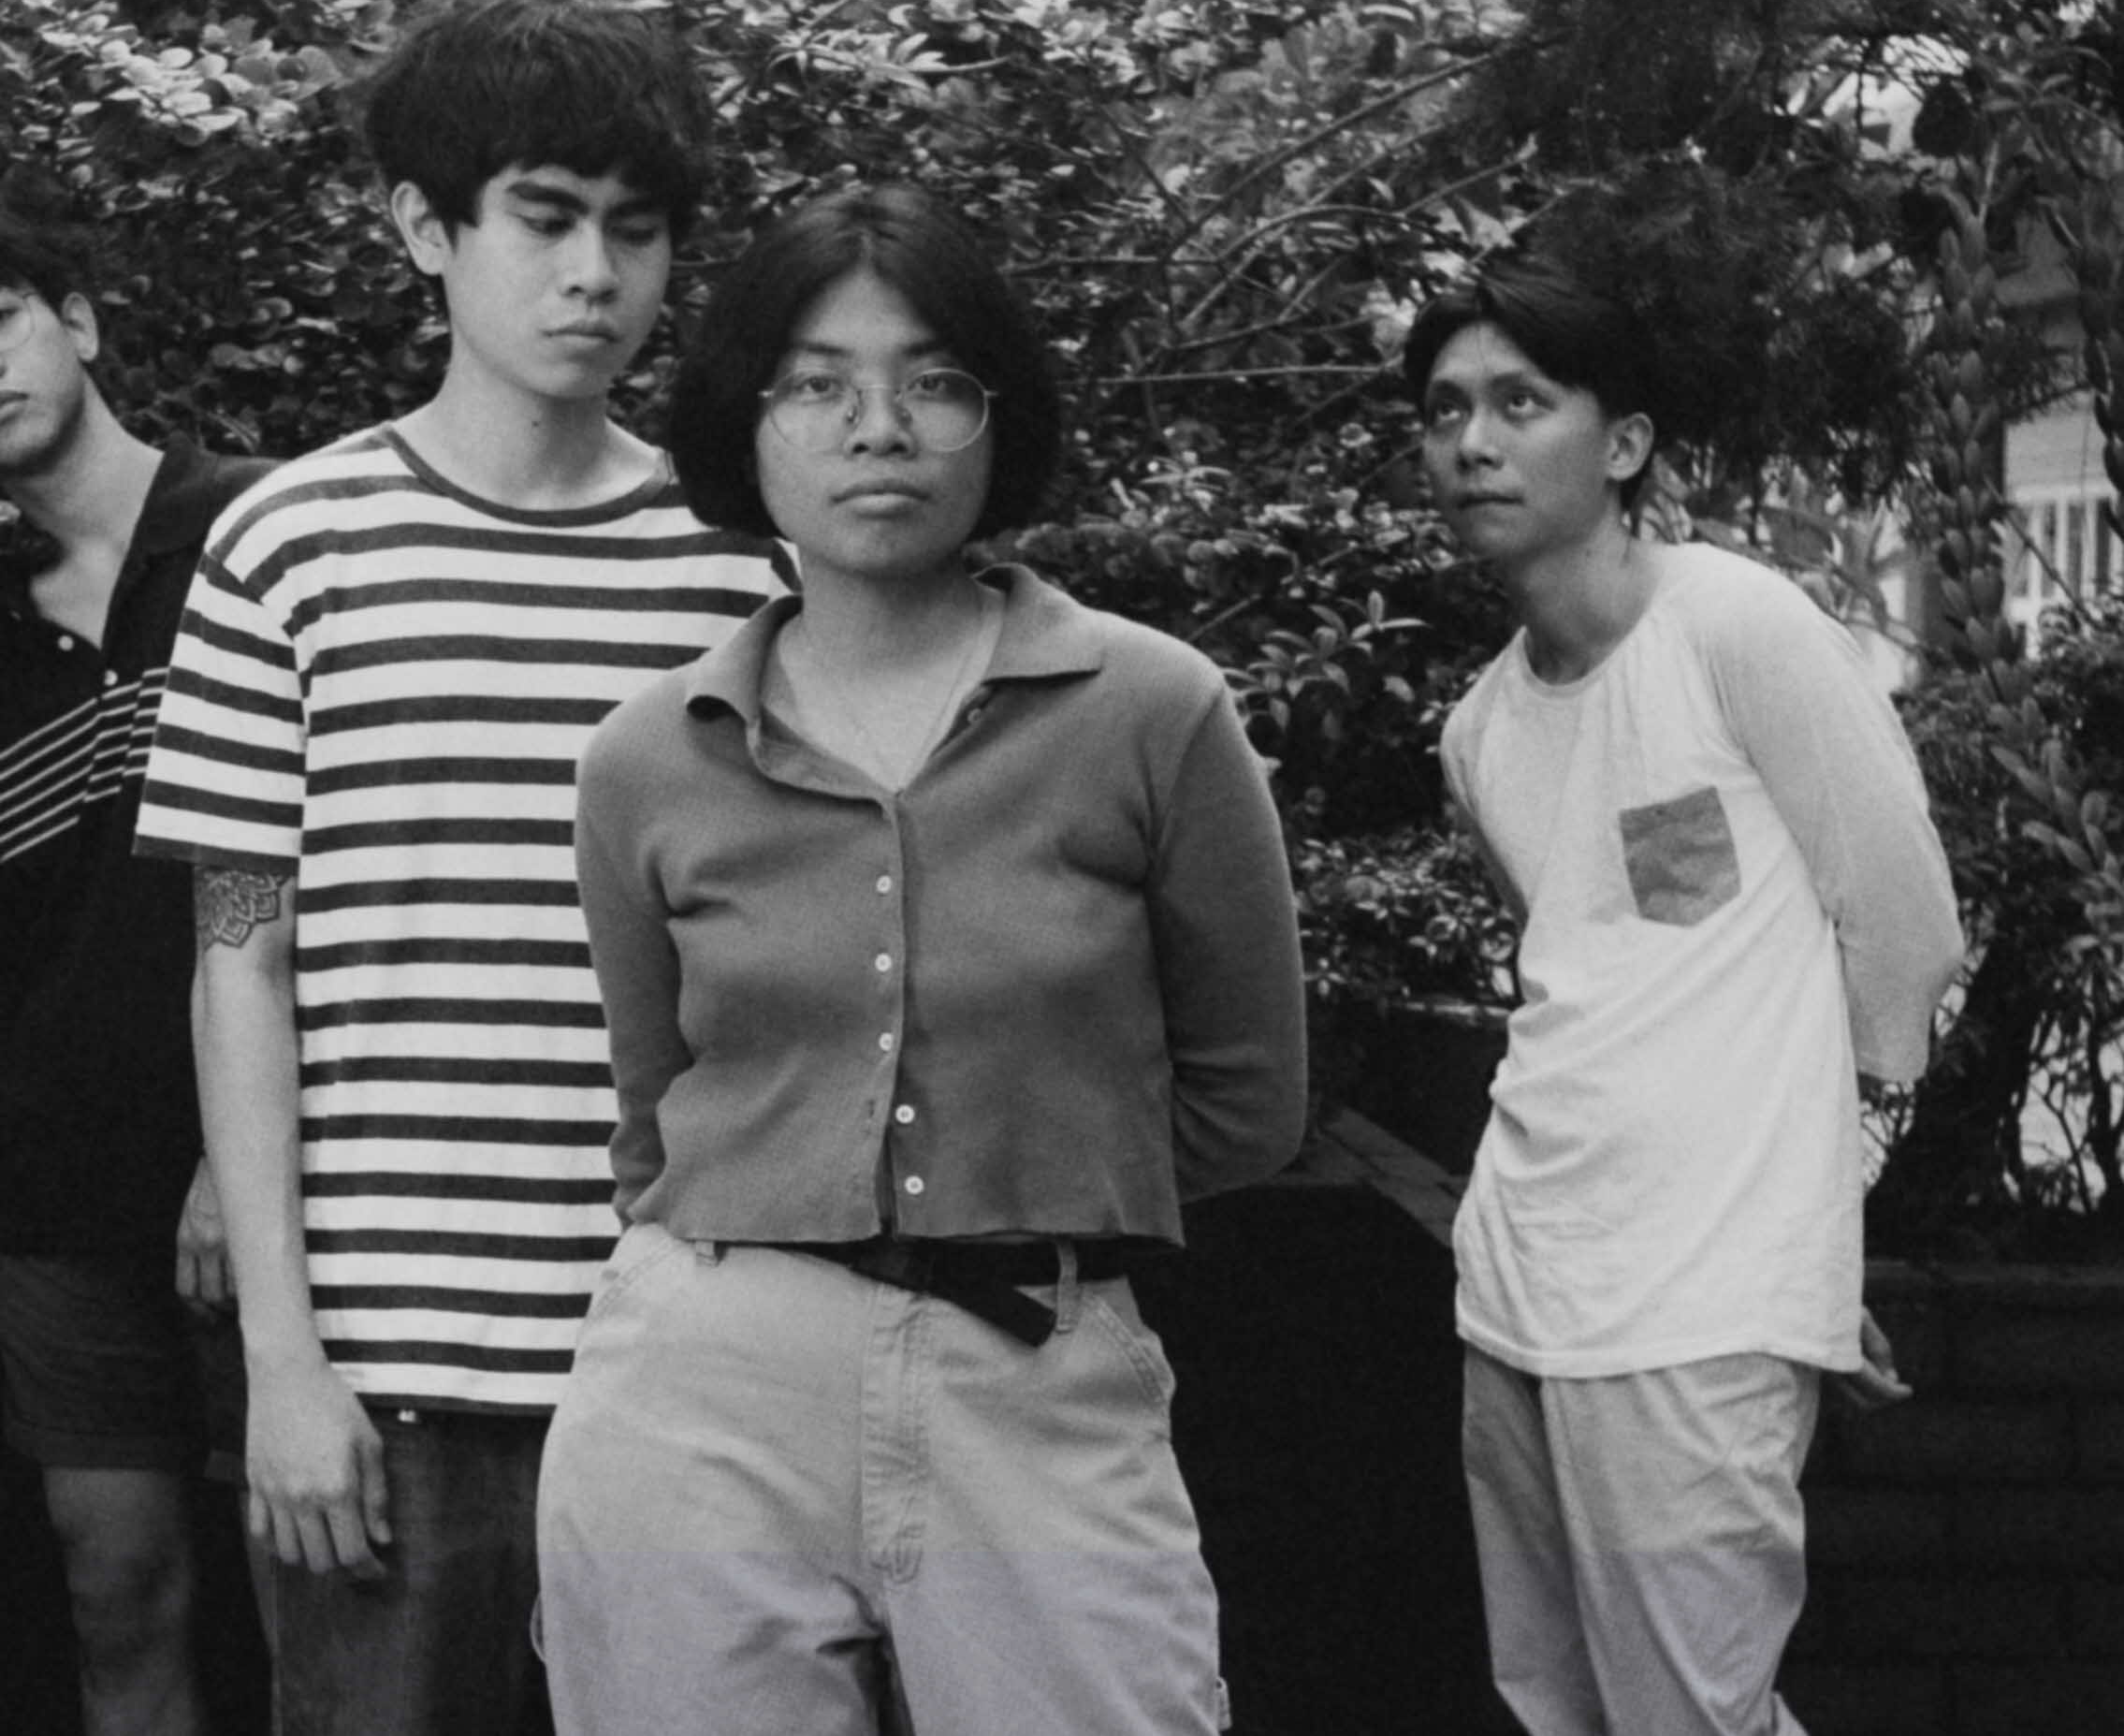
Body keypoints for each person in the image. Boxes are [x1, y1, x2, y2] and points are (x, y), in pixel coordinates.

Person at [536, 182, 1309, 1733]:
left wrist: (1029, 1187)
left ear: (994, 417)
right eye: (815, 384)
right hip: (705, 1383)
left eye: (930, 382)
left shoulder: (1150, 711)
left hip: (1035, 1372)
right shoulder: (646, 756)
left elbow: (1246, 1101)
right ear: (742, 428)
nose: (874, 426)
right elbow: (654, 1109)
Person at [130, 0, 789, 1736]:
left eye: (635, 234)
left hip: (679, 1362)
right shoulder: (290, 548)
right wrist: (281, 1361)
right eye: (546, 221)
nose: (595, 277)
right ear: (422, 226)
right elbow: (238, 949)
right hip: (380, 1383)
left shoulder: (740, 570)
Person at [1408, 253, 1965, 1735]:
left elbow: (1901, 933)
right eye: (1446, 408)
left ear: (1626, 444)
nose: (1472, 441)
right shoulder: (1479, 732)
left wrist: (1817, 1232)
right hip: (1516, 1288)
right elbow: (1602, 987)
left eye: (1519, 402)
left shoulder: (1737, 624)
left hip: (1697, 1305)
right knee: (1552, 1708)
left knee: (1690, 1715)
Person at [0, 173, 275, 1736]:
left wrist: (246, 1157)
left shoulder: (265, 537)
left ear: (79, 319)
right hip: (62, 1219)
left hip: (283, 1190)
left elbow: (356, 875)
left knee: (333, 1593)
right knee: (119, 1599)